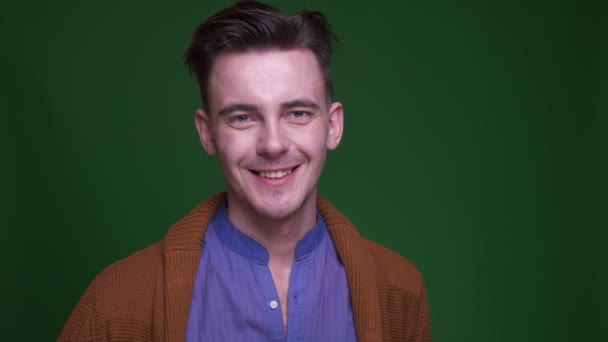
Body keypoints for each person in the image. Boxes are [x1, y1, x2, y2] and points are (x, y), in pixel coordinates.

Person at [59, 1, 431, 341]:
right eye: (243, 117)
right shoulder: (118, 301)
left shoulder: (399, 290)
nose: (273, 144)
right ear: (207, 134)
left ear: (332, 126)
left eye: (297, 113)